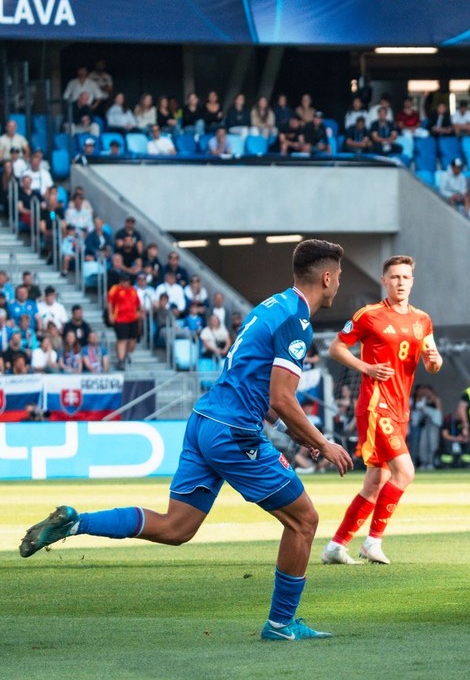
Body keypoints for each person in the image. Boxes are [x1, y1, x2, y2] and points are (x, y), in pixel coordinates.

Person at [20, 239, 353, 641]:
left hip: (204, 421)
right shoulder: (296, 320)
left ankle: (76, 523)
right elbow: (282, 398)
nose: (339, 284)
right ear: (327, 277)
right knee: (304, 520)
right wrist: (324, 442)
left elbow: (264, 394)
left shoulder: (270, 307)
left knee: (176, 527)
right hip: (233, 432)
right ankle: (281, 624)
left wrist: (301, 435)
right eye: (339, 276)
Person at [322, 255, 441, 566]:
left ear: (412, 281)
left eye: (405, 277)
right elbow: (335, 348)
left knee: (374, 483)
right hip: (376, 407)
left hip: (401, 410)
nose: (400, 282)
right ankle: (372, 542)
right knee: (405, 472)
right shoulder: (369, 315)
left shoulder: (423, 320)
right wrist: (366, 368)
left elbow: (432, 361)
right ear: (384, 281)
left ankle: (336, 546)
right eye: (395, 277)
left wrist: (435, 361)